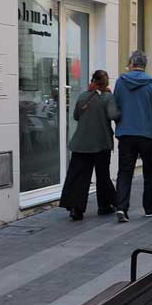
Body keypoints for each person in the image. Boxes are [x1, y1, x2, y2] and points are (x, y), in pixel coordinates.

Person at [113, 50, 152, 221]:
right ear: (144, 65)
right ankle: (149, 208)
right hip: (146, 135)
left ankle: (121, 208)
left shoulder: (120, 82)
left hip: (125, 134)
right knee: (149, 172)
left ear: (131, 63)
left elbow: (115, 107)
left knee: (125, 172)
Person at [60, 70, 120, 220]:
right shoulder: (108, 97)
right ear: (106, 84)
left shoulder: (83, 96)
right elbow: (113, 115)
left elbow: (75, 116)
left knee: (79, 175)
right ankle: (105, 206)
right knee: (102, 176)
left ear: (93, 81)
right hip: (101, 143)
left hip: (81, 144)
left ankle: (76, 209)